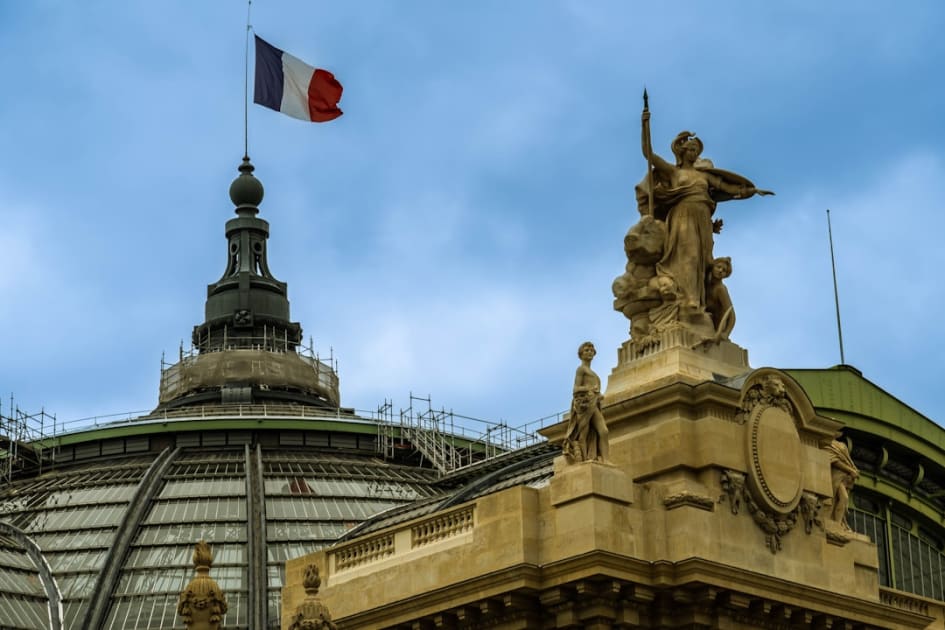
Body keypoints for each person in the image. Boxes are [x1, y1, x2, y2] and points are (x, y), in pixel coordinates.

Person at [641, 111, 773, 313]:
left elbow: (728, 187)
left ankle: (699, 300)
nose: (694, 153)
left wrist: (752, 191)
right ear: (683, 151)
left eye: (696, 150)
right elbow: (648, 153)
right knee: (689, 256)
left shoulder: (703, 175)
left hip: (702, 216)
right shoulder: (674, 172)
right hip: (683, 214)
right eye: (691, 149)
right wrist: (644, 124)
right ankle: (689, 300)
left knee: (703, 259)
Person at [562, 342, 610, 463]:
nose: (589, 352)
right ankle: (584, 460)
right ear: (581, 354)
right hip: (584, 405)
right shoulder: (581, 369)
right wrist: (589, 389)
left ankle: (606, 459)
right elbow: (576, 388)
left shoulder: (591, 371)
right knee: (583, 432)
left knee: (603, 431)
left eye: (591, 350)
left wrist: (598, 395)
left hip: (594, 403)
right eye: (586, 350)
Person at [825, 438, 859, 530]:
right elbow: (833, 460)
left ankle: (838, 523)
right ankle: (836, 522)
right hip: (834, 477)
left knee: (844, 498)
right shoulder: (827, 443)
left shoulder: (842, 445)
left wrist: (854, 469)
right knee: (843, 498)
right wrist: (850, 470)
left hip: (843, 478)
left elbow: (848, 461)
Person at [705, 257, 735, 342]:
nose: (721, 271)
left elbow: (731, 314)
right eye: (718, 267)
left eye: (724, 270)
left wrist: (726, 333)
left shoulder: (720, 289)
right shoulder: (704, 282)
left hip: (717, 327)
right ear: (713, 267)